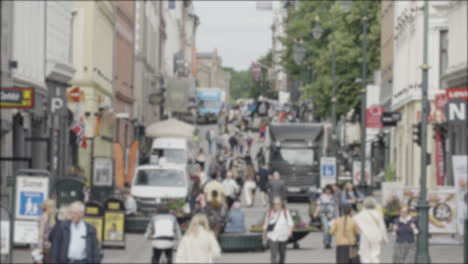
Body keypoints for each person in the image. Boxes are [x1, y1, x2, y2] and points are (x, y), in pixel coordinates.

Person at [354, 197, 389, 264]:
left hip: (365, 236)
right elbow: (382, 227)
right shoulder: (378, 214)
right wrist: (385, 238)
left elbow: (355, 225)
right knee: (375, 254)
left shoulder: (360, 214)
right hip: (376, 235)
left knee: (365, 255)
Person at [262, 197, 294, 264]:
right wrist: (264, 237)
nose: (276, 205)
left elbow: (291, 223)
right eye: (275, 204)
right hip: (272, 237)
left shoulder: (285, 212)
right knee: (274, 255)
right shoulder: (269, 212)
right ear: (272, 204)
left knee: (282, 255)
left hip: (283, 236)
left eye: (278, 204)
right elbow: (265, 225)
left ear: (281, 204)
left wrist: (290, 232)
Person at [314, 185, 339, 249]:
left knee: (331, 229)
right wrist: (316, 213)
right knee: (326, 228)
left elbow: (336, 207)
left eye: (329, 189)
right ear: (325, 190)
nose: (328, 191)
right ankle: (326, 243)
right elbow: (318, 206)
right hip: (323, 214)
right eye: (327, 189)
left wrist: (337, 216)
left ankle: (329, 243)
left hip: (332, 215)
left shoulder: (334, 197)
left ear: (331, 190)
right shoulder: (321, 197)